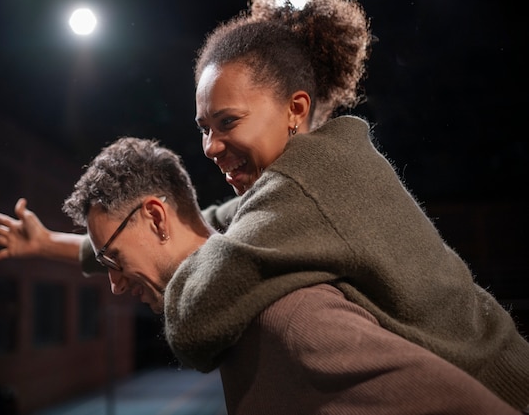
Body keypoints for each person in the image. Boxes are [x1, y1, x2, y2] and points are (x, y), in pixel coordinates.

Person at [0, 0, 529, 411]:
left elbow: (197, 320)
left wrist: (153, 269)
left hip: (499, 385)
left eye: (228, 123)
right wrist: (54, 244)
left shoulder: (309, 187)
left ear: (295, 109)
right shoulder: (299, 179)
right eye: (203, 128)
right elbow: (212, 223)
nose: (211, 147)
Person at [61, 136, 529, 413]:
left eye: (112, 260)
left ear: (159, 219)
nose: (115, 283)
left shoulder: (287, 313)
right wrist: (48, 244)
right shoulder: (234, 272)